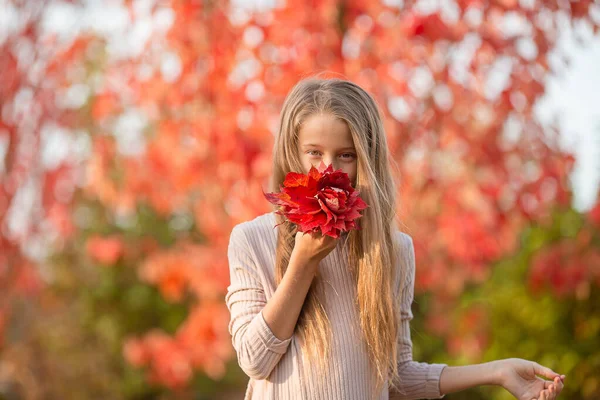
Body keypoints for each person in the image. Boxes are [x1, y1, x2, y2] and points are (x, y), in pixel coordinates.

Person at [225, 77, 565, 400]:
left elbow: (396, 375)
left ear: (367, 160)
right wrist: (303, 261)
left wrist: (497, 371)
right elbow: (255, 360)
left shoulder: (393, 250)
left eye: (346, 155)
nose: (329, 170)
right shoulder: (251, 241)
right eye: (314, 152)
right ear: (292, 153)